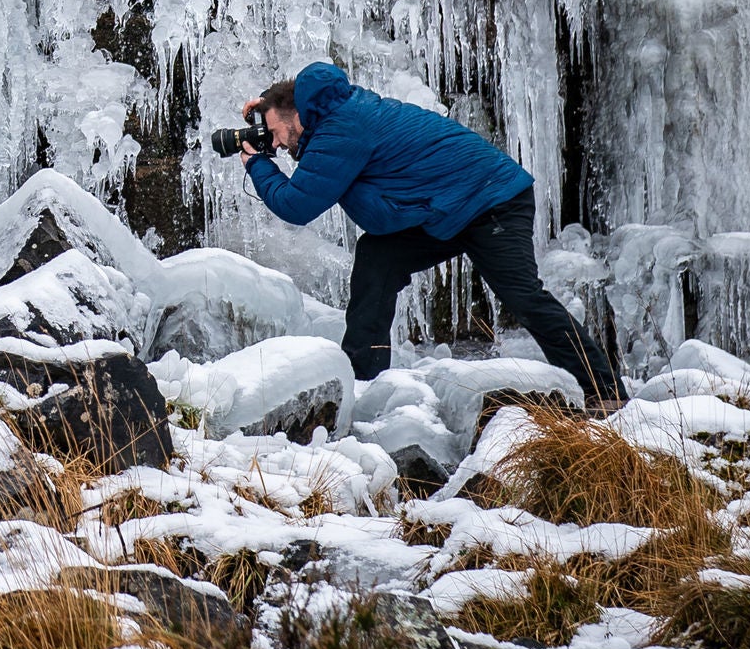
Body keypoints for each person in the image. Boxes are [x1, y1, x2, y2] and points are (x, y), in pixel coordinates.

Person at [233, 62, 625, 407]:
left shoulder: (341, 128)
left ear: (296, 113)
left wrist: (254, 163)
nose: (277, 144)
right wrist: (268, 102)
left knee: (523, 297)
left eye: (275, 132)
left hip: (491, 200)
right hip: (451, 208)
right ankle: (364, 384)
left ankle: (604, 393)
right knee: (378, 258)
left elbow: (296, 205)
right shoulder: (337, 114)